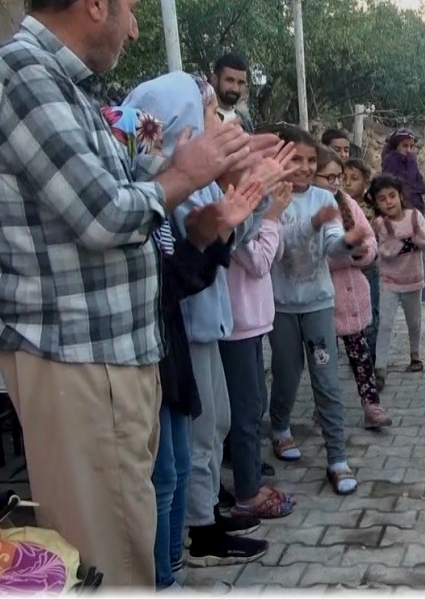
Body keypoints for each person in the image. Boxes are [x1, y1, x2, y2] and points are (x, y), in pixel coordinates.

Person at [0, 0, 264, 587]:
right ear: (94, 2)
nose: (135, 27)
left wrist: (216, 167)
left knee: (126, 533)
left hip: (106, 357)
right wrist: (190, 170)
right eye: (130, 9)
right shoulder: (19, 78)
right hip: (74, 356)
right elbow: (107, 216)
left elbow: (141, 164)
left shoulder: (81, 92)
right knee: (106, 557)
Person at [125, 72, 286, 566]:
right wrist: (238, 198)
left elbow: (229, 238)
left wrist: (248, 194)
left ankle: (203, 517)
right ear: (180, 126)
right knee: (196, 436)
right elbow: (189, 259)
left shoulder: (186, 186)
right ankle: (197, 532)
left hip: (201, 321)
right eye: (210, 114)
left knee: (212, 426)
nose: (221, 125)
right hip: (183, 328)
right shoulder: (163, 188)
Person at [267, 127, 367, 496]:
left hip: (319, 303)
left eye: (312, 161)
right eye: (297, 159)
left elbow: (330, 245)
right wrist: (311, 224)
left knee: (326, 380)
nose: (305, 167)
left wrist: (346, 242)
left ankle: (337, 459)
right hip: (280, 306)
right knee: (286, 374)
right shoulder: (270, 197)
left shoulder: (324, 198)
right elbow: (274, 246)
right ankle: (279, 429)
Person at [221, 180, 297, 520]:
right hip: (236, 325)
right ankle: (247, 492)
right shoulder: (230, 212)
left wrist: (270, 219)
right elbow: (260, 262)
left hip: (252, 322)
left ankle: (250, 476)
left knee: (254, 405)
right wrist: (271, 218)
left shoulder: (253, 213)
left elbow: (276, 253)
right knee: (245, 410)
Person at [317, 150, 392, 429]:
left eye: (338, 176)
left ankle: (371, 405)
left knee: (360, 357)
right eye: (328, 176)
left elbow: (369, 238)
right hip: (323, 300)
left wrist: (364, 253)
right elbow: (315, 256)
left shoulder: (346, 202)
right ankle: (324, 407)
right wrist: (349, 254)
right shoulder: (307, 207)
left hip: (352, 297)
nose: (335, 182)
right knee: (324, 361)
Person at [369, 173, 425, 378]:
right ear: (376, 203)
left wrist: (416, 238)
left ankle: (415, 355)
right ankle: (380, 365)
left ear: (400, 196)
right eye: (382, 199)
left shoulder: (414, 216)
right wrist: (405, 242)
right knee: (386, 323)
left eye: (392, 196)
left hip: (413, 279)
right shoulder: (380, 225)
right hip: (389, 280)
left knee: (414, 321)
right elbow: (383, 252)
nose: (388, 202)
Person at [343, 157, 385, 371]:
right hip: (345, 271)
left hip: (369, 270)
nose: (348, 183)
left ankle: (372, 358)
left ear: (366, 181)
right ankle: (356, 357)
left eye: (354, 178)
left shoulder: (372, 209)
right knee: (350, 315)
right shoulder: (337, 205)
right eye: (344, 178)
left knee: (371, 314)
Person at [381, 128, 425, 213]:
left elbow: (422, 187)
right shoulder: (391, 161)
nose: (409, 150)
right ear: (396, 146)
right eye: (405, 146)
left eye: (411, 146)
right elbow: (405, 186)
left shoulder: (409, 160)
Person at [210, 52, 254, 133]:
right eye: (229, 80)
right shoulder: (203, 118)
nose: (235, 88)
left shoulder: (245, 121)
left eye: (241, 82)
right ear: (214, 79)